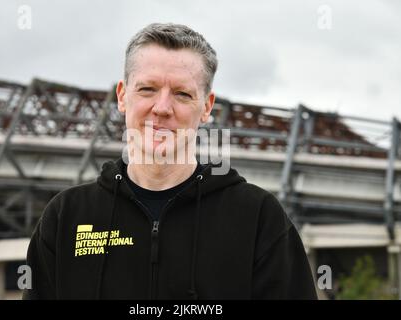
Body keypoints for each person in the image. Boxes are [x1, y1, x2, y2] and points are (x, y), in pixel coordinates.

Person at [23, 23, 317, 300]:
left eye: (182, 93)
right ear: (123, 96)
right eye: (147, 89)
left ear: (206, 106)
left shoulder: (259, 219)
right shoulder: (66, 218)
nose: (162, 108)